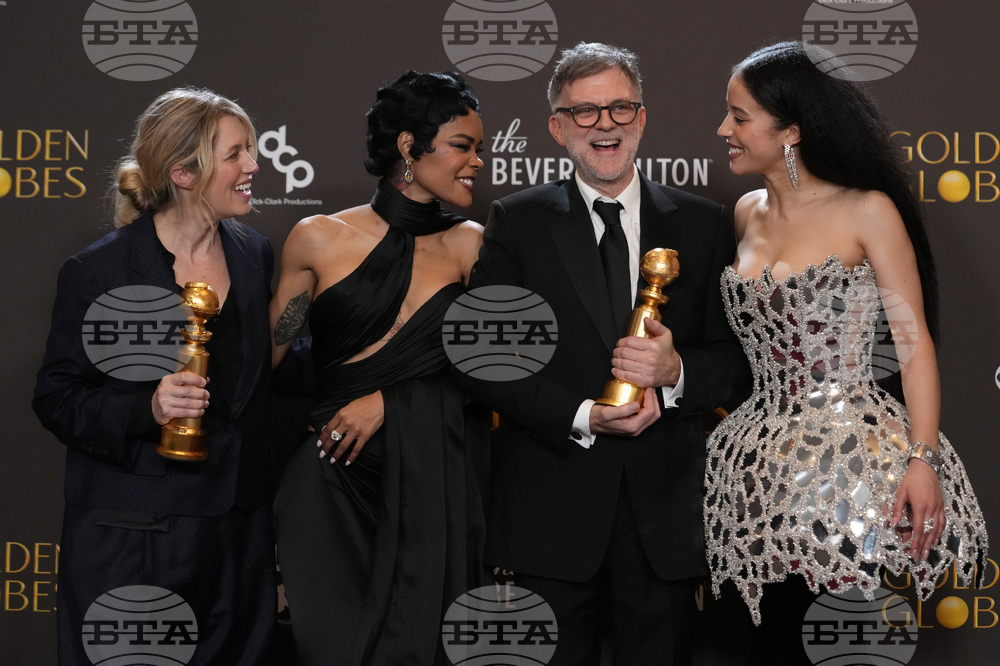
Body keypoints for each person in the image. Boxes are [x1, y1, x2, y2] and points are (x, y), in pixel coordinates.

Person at [455, 42, 751, 665]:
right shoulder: (517, 221)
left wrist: (675, 374)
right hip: (550, 516)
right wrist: (584, 414)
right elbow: (484, 358)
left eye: (620, 108)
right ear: (558, 128)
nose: (606, 125)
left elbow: (738, 361)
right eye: (585, 113)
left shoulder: (704, 224)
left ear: (642, 118)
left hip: (665, 522)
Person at [705, 41, 989, 664]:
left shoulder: (867, 210)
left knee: (836, 643)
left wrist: (923, 459)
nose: (723, 129)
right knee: (770, 640)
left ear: (792, 131)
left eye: (739, 116)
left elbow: (913, 348)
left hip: (851, 470)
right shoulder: (746, 212)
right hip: (759, 471)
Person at [33, 88, 276, 664]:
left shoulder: (255, 254)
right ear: (184, 173)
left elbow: (260, 370)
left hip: (236, 537)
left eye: (252, 150)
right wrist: (150, 410)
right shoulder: (100, 271)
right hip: (132, 536)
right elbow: (56, 397)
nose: (254, 166)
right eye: (237, 153)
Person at [270, 71, 488, 665]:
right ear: (408, 147)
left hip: (432, 482)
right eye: (463, 146)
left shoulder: (472, 246)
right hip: (332, 480)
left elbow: (496, 379)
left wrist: (392, 401)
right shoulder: (315, 239)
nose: (477, 162)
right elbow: (267, 360)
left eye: (479, 148)